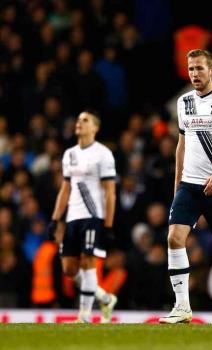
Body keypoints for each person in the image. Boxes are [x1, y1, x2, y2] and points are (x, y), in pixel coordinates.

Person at [159, 49, 212, 324]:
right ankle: (182, 307)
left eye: (199, 68)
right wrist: (177, 185)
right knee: (174, 238)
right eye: (191, 69)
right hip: (190, 185)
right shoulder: (183, 102)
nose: (194, 74)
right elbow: (182, 145)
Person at [47, 110, 117, 323]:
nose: (79, 122)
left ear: (95, 128)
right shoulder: (70, 154)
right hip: (72, 217)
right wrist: (55, 218)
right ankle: (105, 297)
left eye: (85, 120)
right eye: (78, 119)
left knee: (88, 261)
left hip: (93, 216)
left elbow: (110, 193)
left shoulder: (103, 154)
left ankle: (84, 315)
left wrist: (107, 226)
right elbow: (65, 189)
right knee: (69, 269)